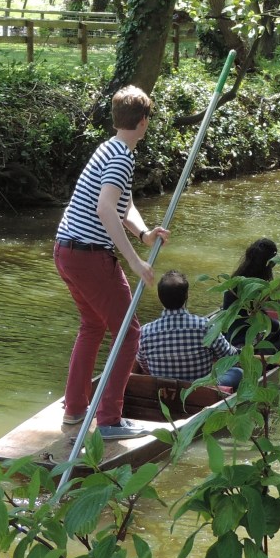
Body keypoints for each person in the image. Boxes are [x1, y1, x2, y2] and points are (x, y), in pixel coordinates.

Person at [54, 85, 170, 439]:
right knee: (129, 333)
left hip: (66, 251)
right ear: (144, 122)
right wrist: (134, 261)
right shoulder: (120, 158)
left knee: (92, 326)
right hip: (89, 255)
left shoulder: (113, 149)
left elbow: (123, 204)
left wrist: (143, 234)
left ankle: (75, 410)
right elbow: (105, 209)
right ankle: (108, 420)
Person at [137, 271, 243, 389]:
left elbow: (144, 366)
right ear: (187, 295)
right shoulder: (206, 326)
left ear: (159, 297)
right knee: (237, 373)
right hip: (201, 392)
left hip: (162, 392)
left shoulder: (144, 332)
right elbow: (230, 356)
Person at [223, 238, 280, 349]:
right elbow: (262, 320)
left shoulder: (233, 282)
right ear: (271, 263)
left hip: (230, 340)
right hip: (249, 343)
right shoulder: (260, 287)